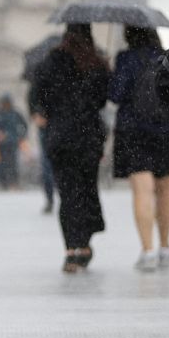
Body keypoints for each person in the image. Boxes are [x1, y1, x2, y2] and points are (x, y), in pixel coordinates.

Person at [108, 25, 169, 271]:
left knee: (142, 191)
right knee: (165, 189)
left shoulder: (125, 59)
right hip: (168, 130)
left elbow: (115, 95)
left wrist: (113, 72)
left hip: (134, 131)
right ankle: (166, 247)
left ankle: (147, 250)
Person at [28, 23, 111, 273]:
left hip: (60, 136)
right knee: (86, 189)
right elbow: (103, 99)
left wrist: (41, 113)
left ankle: (71, 250)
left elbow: (35, 94)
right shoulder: (96, 63)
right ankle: (84, 244)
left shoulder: (50, 62)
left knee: (67, 193)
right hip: (88, 136)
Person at [0, 94, 28, 189]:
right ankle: (3, 183)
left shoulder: (15, 114)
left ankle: (14, 183)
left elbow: (24, 125)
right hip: (0, 144)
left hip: (13, 143)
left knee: (13, 163)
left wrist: (21, 137)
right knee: (1, 164)